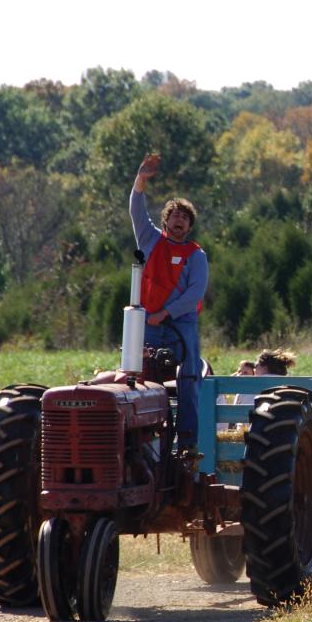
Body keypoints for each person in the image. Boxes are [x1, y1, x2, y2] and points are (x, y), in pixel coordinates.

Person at [130, 153, 208, 450]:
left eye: (185, 218)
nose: (179, 220)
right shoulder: (149, 239)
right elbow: (136, 210)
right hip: (148, 323)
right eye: (175, 215)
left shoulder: (196, 255)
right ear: (166, 220)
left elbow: (194, 295)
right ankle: (139, 441)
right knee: (134, 377)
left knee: (188, 376)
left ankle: (187, 442)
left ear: (189, 226)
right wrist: (140, 180)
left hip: (180, 324)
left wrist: (166, 313)